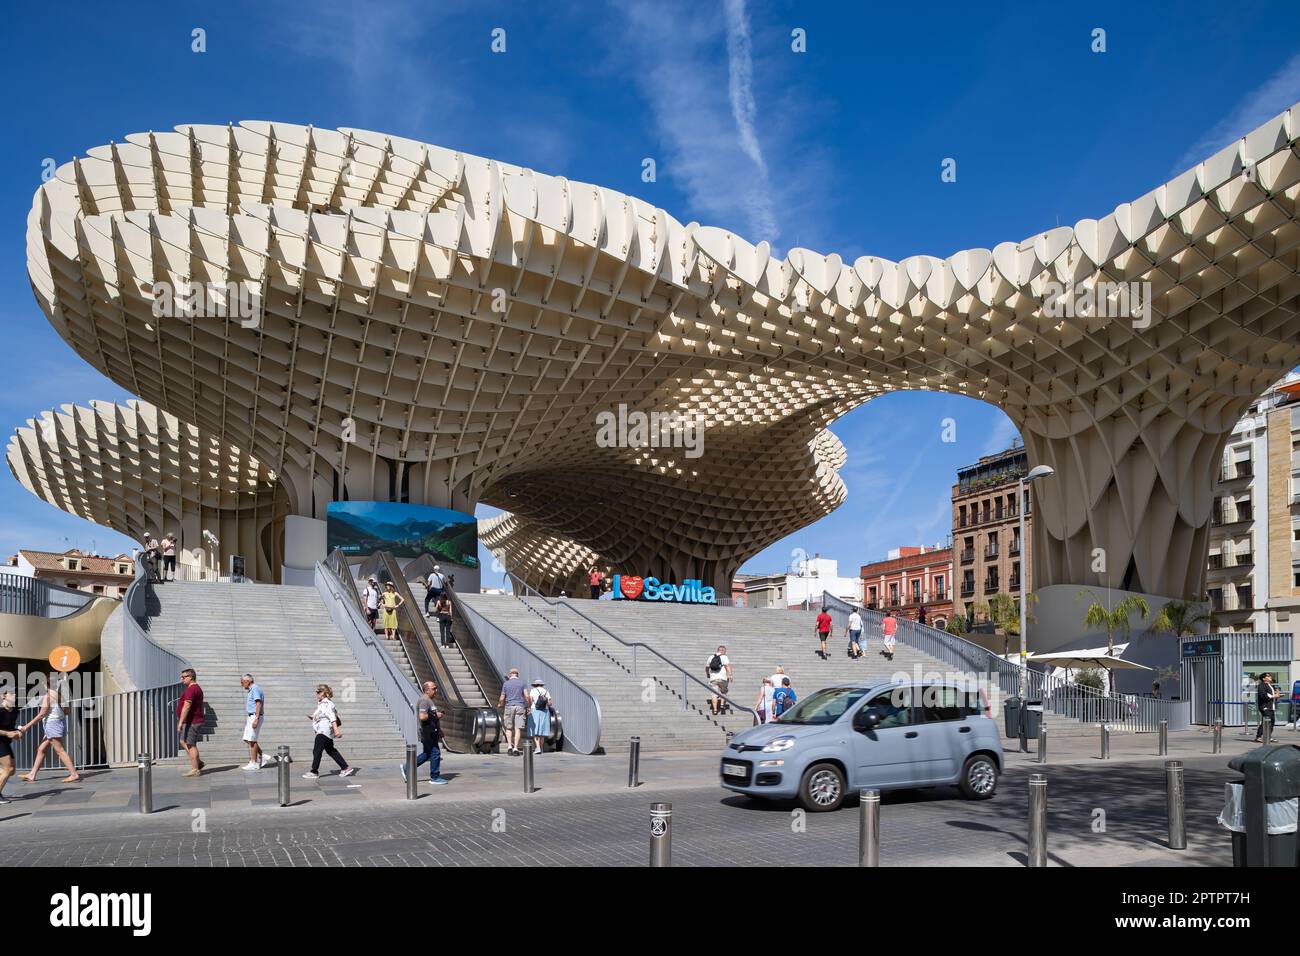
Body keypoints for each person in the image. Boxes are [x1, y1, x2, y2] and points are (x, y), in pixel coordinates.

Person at [18, 678, 81, 783]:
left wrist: (26, 726)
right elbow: (67, 711)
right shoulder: (60, 696)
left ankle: (74, 774)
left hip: (52, 725)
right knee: (41, 749)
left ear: (46, 685)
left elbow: (41, 714)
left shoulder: (47, 697)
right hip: (58, 723)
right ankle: (32, 774)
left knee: (59, 750)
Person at [303, 684, 356, 778]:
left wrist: (336, 730)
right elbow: (321, 715)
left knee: (317, 750)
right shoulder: (321, 704)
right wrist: (313, 717)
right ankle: (345, 767)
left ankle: (314, 771)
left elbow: (332, 717)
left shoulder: (326, 704)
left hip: (324, 731)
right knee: (331, 750)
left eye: (318, 692)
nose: (316, 693)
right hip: (323, 730)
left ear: (324, 693)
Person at [402, 681, 448, 785]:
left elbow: (431, 717)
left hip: (431, 731)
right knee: (435, 753)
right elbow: (422, 716)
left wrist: (439, 730)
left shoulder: (429, 700)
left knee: (427, 754)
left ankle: (407, 767)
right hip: (427, 732)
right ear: (427, 690)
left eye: (436, 688)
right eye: (434, 688)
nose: (436, 690)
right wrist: (436, 715)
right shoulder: (424, 701)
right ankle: (434, 777)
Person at [176, 667, 206, 777]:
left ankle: (195, 769)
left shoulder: (191, 689)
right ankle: (198, 762)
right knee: (183, 741)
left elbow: (187, 706)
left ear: (191, 677)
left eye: (184, 677)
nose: (182, 679)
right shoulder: (194, 688)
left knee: (190, 744)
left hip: (192, 721)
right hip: (190, 721)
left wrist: (180, 722)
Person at [240, 674, 272, 770]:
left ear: (247, 681)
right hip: (251, 716)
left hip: (255, 716)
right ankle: (262, 755)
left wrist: (256, 718)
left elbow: (258, 703)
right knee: (247, 738)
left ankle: (253, 762)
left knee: (252, 740)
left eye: (242, 682)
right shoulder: (252, 689)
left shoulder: (255, 689)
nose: (242, 685)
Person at [498, 667, 529, 755]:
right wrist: (529, 705)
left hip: (509, 706)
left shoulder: (506, 684)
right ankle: (515, 748)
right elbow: (527, 696)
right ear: (517, 675)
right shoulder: (522, 683)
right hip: (520, 706)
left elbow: (502, 697)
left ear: (510, 674)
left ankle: (509, 747)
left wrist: (500, 704)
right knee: (517, 728)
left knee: (508, 728)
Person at [0, 691, 23, 802]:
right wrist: (8, 734)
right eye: (12, 693)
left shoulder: (15, 711)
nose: (15, 695)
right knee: (7, 768)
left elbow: (9, 727)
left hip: (5, 741)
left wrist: (17, 732)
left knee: (12, 770)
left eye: (15, 693)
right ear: (3, 696)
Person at [527, 679, 553, 754]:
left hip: (534, 710)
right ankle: (541, 748)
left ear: (535, 685)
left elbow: (530, 700)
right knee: (542, 730)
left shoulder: (533, 691)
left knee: (535, 730)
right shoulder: (546, 691)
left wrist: (528, 708)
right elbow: (550, 703)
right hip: (545, 711)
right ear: (542, 685)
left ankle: (537, 747)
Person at [706, 645, 732, 716]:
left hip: (713, 679)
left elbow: (707, 667)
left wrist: (708, 674)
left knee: (714, 695)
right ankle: (722, 705)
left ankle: (714, 710)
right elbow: (727, 666)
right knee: (723, 692)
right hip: (723, 678)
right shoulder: (724, 657)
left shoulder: (711, 657)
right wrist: (730, 675)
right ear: (723, 651)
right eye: (725, 651)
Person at [1255, 673, 1279, 742]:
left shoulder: (1270, 685)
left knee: (1272, 722)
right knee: (1265, 721)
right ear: (1264, 678)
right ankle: (1258, 737)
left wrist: (1277, 694)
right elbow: (1263, 695)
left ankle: (1268, 736)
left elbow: (1272, 695)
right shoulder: (1261, 685)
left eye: (1270, 676)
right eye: (1268, 676)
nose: (1270, 677)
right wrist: (1274, 696)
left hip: (1271, 706)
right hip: (1265, 706)